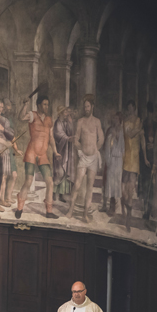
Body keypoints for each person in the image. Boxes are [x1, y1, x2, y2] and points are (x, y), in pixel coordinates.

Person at [15, 94, 60, 219]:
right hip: (31, 153)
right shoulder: (32, 115)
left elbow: (51, 138)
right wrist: (25, 105)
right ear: (39, 105)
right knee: (28, 181)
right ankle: (19, 208)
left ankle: (49, 211)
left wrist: (55, 152)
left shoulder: (49, 119)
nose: (46, 107)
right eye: (44, 104)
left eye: (47, 104)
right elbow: (20, 117)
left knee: (50, 182)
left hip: (43, 155)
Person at [66, 95, 105, 223]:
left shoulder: (97, 122)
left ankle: (84, 215)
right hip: (83, 158)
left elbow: (102, 139)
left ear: (92, 107)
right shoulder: (81, 121)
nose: (86, 109)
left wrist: (96, 150)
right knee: (77, 184)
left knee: (90, 186)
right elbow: (76, 139)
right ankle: (70, 210)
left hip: (93, 158)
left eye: (88, 106)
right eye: (85, 107)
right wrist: (79, 150)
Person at [121, 100, 148, 231]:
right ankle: (125, 206)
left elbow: (138, 139)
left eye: (132, 109)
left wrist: (146, 158)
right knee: (124, 188)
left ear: (135, 109)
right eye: (129, 109)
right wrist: (139, 129)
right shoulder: (126, 122)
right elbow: (128, 135)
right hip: (126, 156)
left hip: (135, 157)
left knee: (131, 187)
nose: (130, 111)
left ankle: (128, 219)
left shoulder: (138, 121)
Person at [0, 99, 20, 208]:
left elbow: (11, 135)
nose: (0, 109)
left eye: (1, 107)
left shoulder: (4, 120)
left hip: (4, 149)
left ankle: (1, 200)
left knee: (4, 177)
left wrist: (3, 129)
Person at [101, 111, 125, 215]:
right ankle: (110, 206)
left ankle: (115, 206)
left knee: (116, 183)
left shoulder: (122, 131)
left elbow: (122, 148)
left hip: (118, 160)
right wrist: (108, 159)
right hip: (111, 160)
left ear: (120, 120)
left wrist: (117, 137)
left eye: (117, 119)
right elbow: (107, 145)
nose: (115, 121)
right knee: (109, 182)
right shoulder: (110, 130)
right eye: (114, 119)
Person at [52, 106, 76, 203]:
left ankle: (61, 195)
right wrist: (67, 138)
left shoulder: (66, 122)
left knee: (65, 173)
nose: (67, 113)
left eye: (67, 112)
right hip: (60, 151)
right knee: (59, 172)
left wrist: (70, 123)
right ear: (61, 113)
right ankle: (53, 193)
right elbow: (59, 134)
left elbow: (71, 132)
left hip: (66, 150)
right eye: (65, 112)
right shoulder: (57, 123)